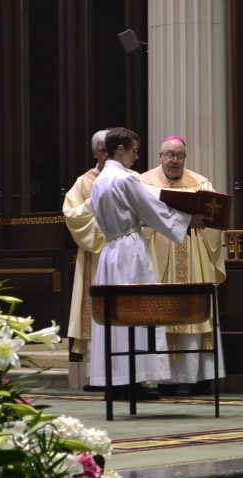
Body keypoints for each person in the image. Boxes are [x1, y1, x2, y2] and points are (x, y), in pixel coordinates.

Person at [88, 127, 206, 396]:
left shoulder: (101, 180)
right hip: (130, 250)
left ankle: (116, 380)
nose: (136, 157)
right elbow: (152, 209)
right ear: (121, 149)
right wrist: (189, 222)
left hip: (110, 250)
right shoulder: (124, 180)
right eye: (135, 150)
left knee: (113, 316)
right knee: (138, 311)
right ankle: (133, 379)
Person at [140, 136, 226, 392]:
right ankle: (163, 380)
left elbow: (215, 221)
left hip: (193, 260)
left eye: (179, 156)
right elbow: (136, 220)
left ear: (185, 158)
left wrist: (201, 220)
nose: (174, 160)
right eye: (169, 155)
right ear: (160, 156)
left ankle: (198, 378)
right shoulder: (144, 183)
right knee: (161, 315)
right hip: (158, 258)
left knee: (194, 313)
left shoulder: (201, 184)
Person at [63, 129, 109, 363]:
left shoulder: (130, 176)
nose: (106, 155)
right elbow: (71, 215)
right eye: (102, 150)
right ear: (94, 152)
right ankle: (96, 369)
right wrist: (95, 202)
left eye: (110, 149)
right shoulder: (84, 182)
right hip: (94, 254)